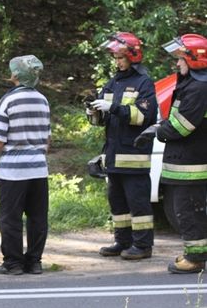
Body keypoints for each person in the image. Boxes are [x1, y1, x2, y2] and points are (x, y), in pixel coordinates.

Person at [135, 33, 207, 274]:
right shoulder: (192, 85)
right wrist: (159, 127)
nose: (177, 64)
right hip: (183, 162)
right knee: (186, 210)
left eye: (181, 59)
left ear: (194, 60)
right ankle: (195, 254)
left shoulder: (198, 88)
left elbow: (183, 125)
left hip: (190, 165)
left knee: (188, 212)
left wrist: (158, 131)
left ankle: (195, 259)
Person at [87, 32, 158, 260]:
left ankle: (143, 246)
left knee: (138, 205)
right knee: (117, 203)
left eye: (120, 57)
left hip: (134, 156)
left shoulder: (143, 83)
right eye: (115, 57)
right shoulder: (113, 82)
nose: (117, 62)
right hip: (113, 156)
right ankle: (122, 241)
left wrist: (114, 107)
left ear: (133, 56)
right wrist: (94, 112)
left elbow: (143, 117)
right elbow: (101, 121)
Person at [0, 55, 51, 275]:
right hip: (39, 169)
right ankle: (34, 262)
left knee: (10, 218)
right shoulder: (42, 100)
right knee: (37, 217)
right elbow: (47, 139)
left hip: (13, 171)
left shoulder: (8, 101)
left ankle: (13, 264)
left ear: (16, 75)